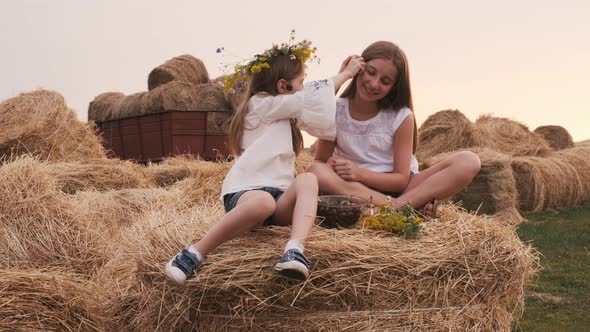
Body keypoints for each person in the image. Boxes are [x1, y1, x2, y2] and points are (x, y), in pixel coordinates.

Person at [165, 39, 364, 285]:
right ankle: (194, 253)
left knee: (308, 179)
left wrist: (339, 81)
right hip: (246, 195)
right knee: (263, 201)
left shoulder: (285, 110)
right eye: (300, 83)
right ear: (283, 86)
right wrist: (344, 74)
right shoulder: (259, 104)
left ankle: (295, 250)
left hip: (278, 201)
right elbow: (308, 99)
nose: (303, 88)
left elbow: (314, 102)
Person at [307, 41, 480, 217]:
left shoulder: (401, 116)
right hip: (353, 188)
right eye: (371, 72)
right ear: (359, 67)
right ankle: (410, 209)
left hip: (401, 190)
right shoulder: (337, 110)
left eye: (385, 81)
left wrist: (359, 173)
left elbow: (401, 180)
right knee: (315, 171)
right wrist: (344, 75)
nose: (374, 84)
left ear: (393, 87)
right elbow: (320, 161)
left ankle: (394, 208)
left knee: (469, 161)